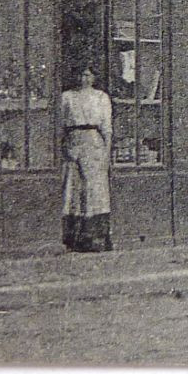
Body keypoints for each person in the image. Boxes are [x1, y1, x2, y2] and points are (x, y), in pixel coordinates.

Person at [60, 66, 113, 253]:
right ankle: (72, 236)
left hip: (94, 141)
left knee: (93, 188)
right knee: (72, 187)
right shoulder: (67, 97)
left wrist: (106, 152)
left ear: (94, 77)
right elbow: (59, 124)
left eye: (88, 74)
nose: (84, 78)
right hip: (73, 140)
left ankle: (94, 236)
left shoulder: (101, 97)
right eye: (81, 74)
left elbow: (107, 127)